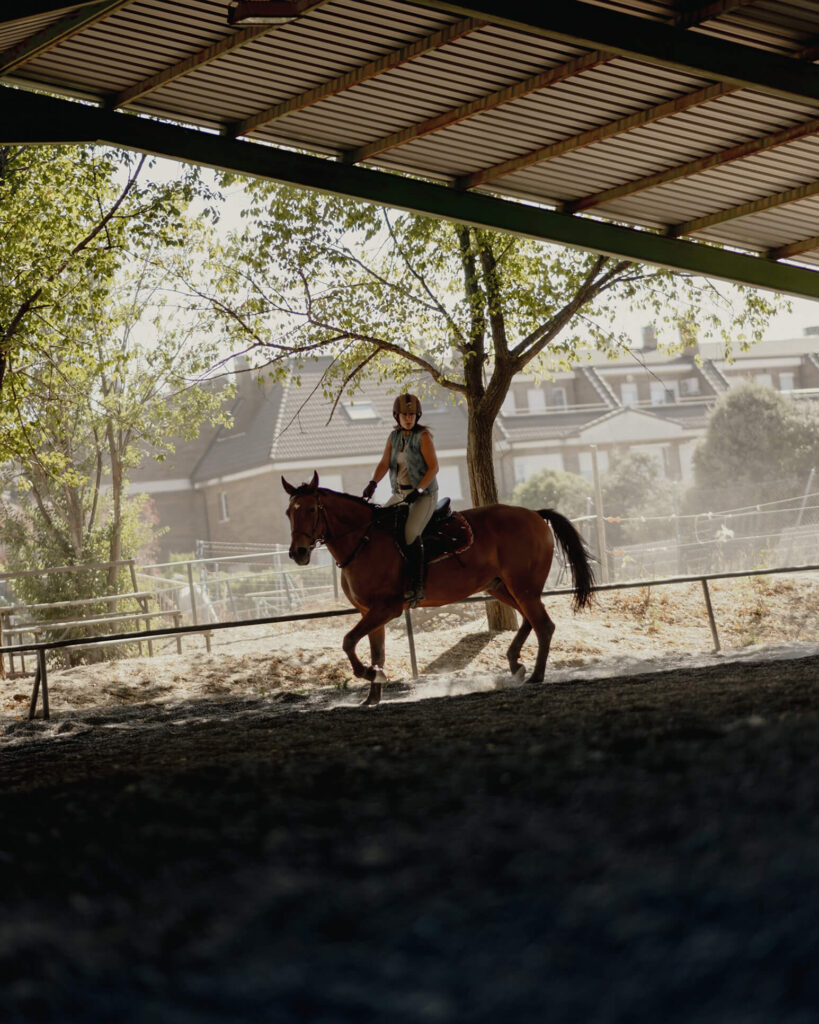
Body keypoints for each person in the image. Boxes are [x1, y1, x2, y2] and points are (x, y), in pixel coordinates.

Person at [362, 393, 439, 605]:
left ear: (417, 415)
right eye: (404, 414)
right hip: (400, 493)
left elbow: (434, 468)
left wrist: (420, 490)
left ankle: (417, 585)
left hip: (425, 495)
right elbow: (384, 463)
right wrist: (373, 483)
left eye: (412, 414)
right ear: (397, 416)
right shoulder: (393, 437)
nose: (408, 418)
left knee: (410, 533)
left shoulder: (422, 437)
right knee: (378, 525)